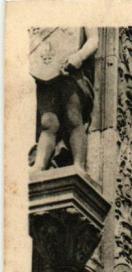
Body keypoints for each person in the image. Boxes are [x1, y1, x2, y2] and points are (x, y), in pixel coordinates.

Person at [30, 27, 99, 171]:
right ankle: (40, 164)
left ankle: (78, 164)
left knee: (73, 118)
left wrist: (80, 56)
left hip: (71, 73)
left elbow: (94, 39)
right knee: (47, 122)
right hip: (47, 74)